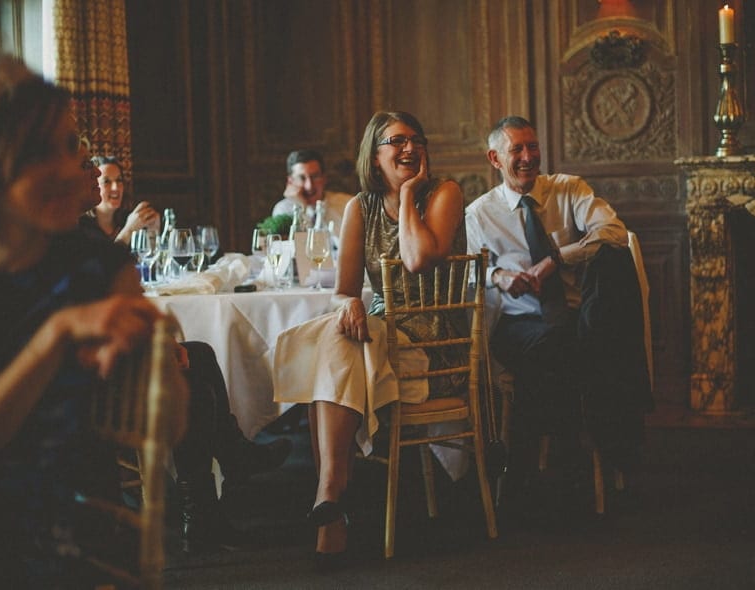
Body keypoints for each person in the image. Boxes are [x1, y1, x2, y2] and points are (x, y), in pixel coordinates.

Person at [0, 51, 189, 587]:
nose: (69, 170)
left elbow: (168, 428)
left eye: (69, 146)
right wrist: (54, 337)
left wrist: (155, 357)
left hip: (77, 528)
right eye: (39, 152)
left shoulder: (97, 265)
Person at [273, 111, 466, 567]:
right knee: (337, 336)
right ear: (374, 154)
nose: (409, 148)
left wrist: (409, 193)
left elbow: (418, 260)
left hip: (435, 342)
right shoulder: (359, 207)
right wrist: (350, 304)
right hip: (380, 334)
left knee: (331, 347)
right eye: (397, 141)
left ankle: (331, 498)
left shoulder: (443, 193)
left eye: (416, 139)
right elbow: (343, 289)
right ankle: (332, 500)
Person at [80, 157, 294, 553]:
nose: (100, 181)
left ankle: (224, 472)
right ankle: (205, 508)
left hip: (101, 353)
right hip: (89, 373)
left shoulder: (78, 230)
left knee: (200, 353)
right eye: (87, 169)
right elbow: (89, 305)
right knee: (191, 377)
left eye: (111, 177)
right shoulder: (71, 232)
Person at [465, 115, 653, 515]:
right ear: (495, 158)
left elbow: (614, 232)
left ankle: (520, 480)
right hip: (515, 324)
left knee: (558, 347)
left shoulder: (568, 189)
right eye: (517, 149)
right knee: (565, 349)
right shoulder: (480, 213)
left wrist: (556, 260)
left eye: (533, 147)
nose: (528, 157)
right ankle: (575, 465)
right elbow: (470, 271)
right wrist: (499, 277)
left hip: (570, 319)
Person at [79, 154, 161, 244]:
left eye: (119, 180)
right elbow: (105, 258)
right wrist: (129, 230)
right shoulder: (81, 228)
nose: (116, 188)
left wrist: (153, 230)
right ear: (92, 186)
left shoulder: (128, 219)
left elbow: (147, 255)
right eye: (107, 181)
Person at [271, 149, 352, 236]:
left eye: (315, 176)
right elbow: (290, 247)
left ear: (324, 178)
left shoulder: (347, 204)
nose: (309, 186)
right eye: (301, 178)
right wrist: (301, 209)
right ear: (290, 182)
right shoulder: (283, 210)